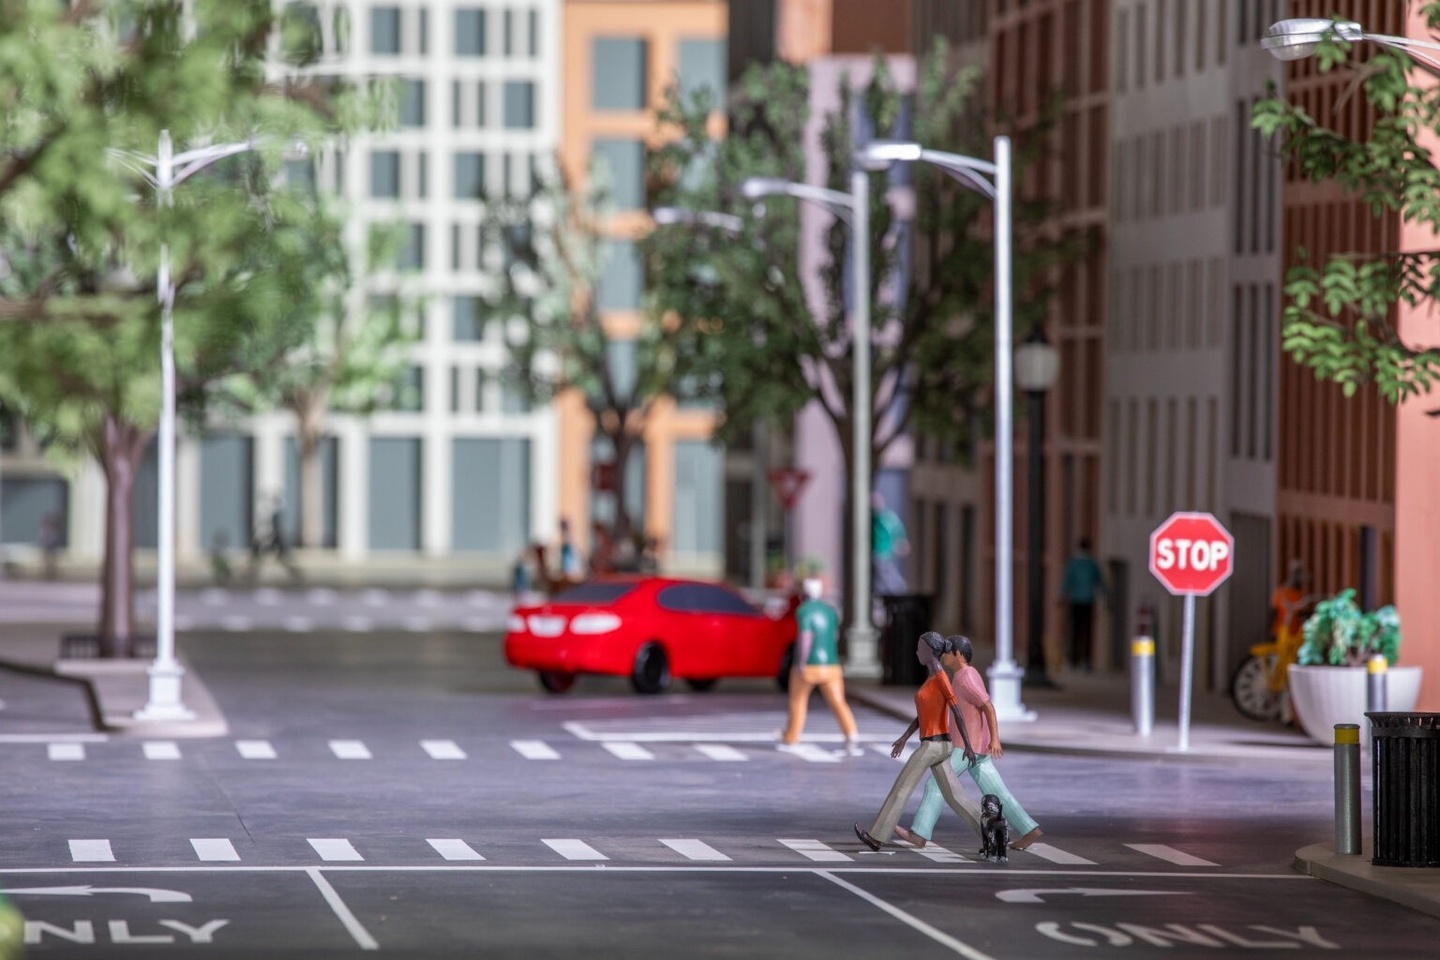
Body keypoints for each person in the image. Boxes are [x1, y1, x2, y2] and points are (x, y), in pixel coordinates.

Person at [891, 635, 1043, 851]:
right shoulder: (965, 675)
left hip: (966, 747)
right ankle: (1029, 830)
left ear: (959, 655)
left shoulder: (965, 678)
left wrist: (996, 739)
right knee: (1000, 792)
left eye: (948, 652)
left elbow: (988, 707)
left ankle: (919, 834)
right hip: (977, 748)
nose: (944, 656)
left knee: (935, 786)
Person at [855, 633, 982, 851]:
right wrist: (904, 738)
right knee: (956, 797)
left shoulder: (941, 678)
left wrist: (969, 746)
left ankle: (877, 836)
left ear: (929, 652)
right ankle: (991, 831)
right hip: (937, 745)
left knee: (902, 787)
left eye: (919, 649)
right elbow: (924, 715)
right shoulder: (933, 678)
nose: (916, 652)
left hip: (934, 746)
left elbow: (957, 712)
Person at [780, 577, 862, 756]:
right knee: (838, 701)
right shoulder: (830, 611)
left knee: (798, 702)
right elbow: (834, 635)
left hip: (810, 665)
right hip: (831, 665)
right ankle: (851, 734)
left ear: (805, 593)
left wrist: (801, 661)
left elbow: (806, 637)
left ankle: (792, 737)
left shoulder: (804, 610)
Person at [1059, 536, 1108, 671]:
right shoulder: (1092, 564)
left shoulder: (1074, 564)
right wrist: (1106, 596)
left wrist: (1062, 596)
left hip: (1075, 600)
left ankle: (1074, 659)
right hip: (1088, 600)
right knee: (1087, 631)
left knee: (1075, 630)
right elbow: (1100, 582)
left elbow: (1067, 581)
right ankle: (1086, 660)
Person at [871, 492, 910, 595]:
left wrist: (902, 542)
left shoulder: (888, 518)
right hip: (873, 553)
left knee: (884, 572)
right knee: (878, 573)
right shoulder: (870, 518)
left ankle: (898, 589)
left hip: (883, 553)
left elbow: (898, 532)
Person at [1271, 558, 1311, 641]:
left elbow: (1302, 614)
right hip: (1280, 632)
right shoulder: (1280, 592)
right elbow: (1273, 612)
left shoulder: (1299, 594)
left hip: (1294, 634)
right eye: (1297, 572)